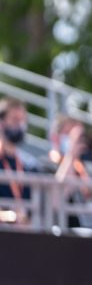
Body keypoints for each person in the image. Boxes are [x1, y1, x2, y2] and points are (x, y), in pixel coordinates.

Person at [0, 96, 35, 224]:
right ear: (1, 123)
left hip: (25, 235)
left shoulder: (29, 165)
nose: (20, 125)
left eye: (22, 121)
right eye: (15, 120)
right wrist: (11, 216)